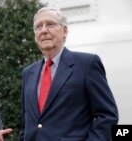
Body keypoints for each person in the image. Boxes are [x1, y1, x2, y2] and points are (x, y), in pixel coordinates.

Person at [20, 7, 118, 141]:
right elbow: (27, 122)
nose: (43, 30)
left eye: (50, 24)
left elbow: (107, 115)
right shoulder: (28, 73)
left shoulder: (87, 64)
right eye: (38, 26)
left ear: (64, 31)